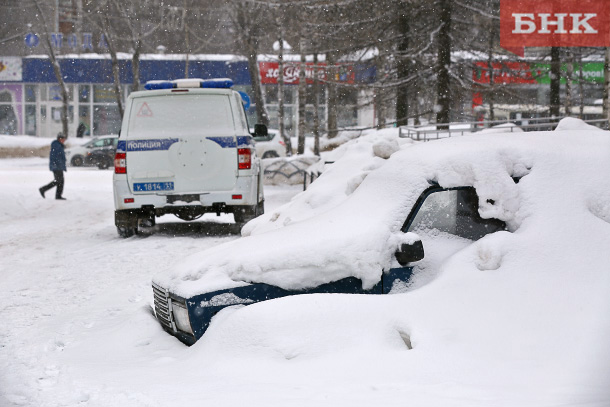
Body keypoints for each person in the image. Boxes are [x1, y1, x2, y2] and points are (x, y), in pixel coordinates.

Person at [39, 133, 67, 200]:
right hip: (56, 166)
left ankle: (58, 195)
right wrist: (59, 163)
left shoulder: (59, 145)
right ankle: (43, 189)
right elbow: (55, 157)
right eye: (63, 139)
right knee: (58, 181)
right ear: (60, 139)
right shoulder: (56, 146)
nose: (64, 140)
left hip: (58, 166)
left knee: (60, 181)